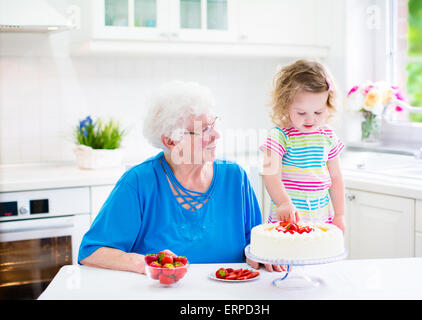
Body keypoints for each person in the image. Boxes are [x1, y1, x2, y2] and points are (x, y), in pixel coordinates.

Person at [78, 81, 284, 273]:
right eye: (204, 130)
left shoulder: (235, 178)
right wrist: (148, 263)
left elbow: (254, 244)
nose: (216, 136)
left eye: (213, 124)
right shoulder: (138, 183)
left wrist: (262, 255)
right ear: (171, 142)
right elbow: (92, 251)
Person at [260, 59, 345, 232]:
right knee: (287, 256)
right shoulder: (279, 136)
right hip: (289, 217)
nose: (310, 119)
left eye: (318, 112)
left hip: (322, 216)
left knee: (318, 255)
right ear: (286, 105)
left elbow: (336, 178)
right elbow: (271, 175)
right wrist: (284, 202)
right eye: (301, 112)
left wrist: (339, 215)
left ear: (327, 105)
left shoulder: (328, 136)